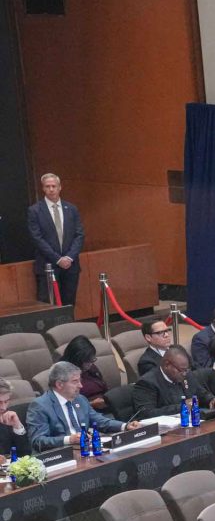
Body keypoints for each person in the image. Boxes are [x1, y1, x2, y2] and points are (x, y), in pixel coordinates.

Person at [27, 361, 125, 450]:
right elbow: (38, 441)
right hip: (63, 454)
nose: (80, 386)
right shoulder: (40, 406)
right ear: (59, 384)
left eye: (79, 380)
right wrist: (69, 439)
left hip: (86, 449)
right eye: (75, 381)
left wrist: (125, 426)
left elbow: (100, 421)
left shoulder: (80, 399)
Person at [27, 172, 83, 305]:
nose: (51, 189)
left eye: (54, 186)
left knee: (69, 303)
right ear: (43, 188)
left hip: (70, 265)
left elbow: (79, 235)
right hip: (48, 266)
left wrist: (69, 257)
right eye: (47, 186)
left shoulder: (71, 209)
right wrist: (58, 259)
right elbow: (37, 238)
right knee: (49, 306)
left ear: (60, 187)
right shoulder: (35, 211)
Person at [133, 345, 215, 417]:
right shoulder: (147, 383)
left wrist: (211, 399)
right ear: (167, 365)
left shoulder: (186, 374)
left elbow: (200, 392)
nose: (184, 374)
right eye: (181, 370)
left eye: (186, 370)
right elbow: (146, 413)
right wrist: (182, 407)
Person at [59, 335, 110, 409]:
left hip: (104, 402)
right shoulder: (63, 378)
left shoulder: (90, 368)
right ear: (77, 360)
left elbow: (103, 385)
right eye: (88, 360)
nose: (91, 364)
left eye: (92, 359)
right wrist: (91, 404)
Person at [0, 378, 32, 456]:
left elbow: (26, 454)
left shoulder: (9, 418)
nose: (3, 407)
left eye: (6, 401)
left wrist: (17, 427)